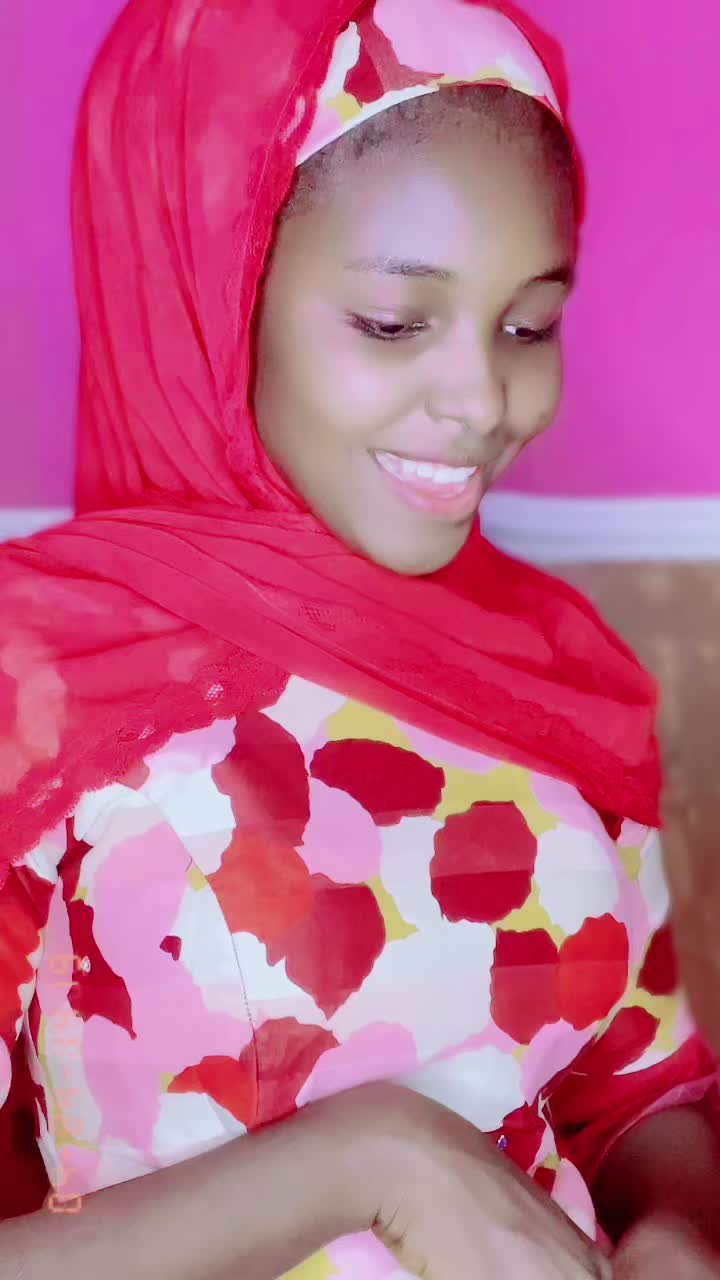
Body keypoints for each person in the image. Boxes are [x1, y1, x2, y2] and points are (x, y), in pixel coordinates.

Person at [0, 0, 718, 1277]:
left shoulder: (561, 670)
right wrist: (374, 1160)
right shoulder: (37, 677)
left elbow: (638, 1092)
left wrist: (674, 1229)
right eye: (394, 321)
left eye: (529, 323)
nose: (483, 400)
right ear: (217, 297)